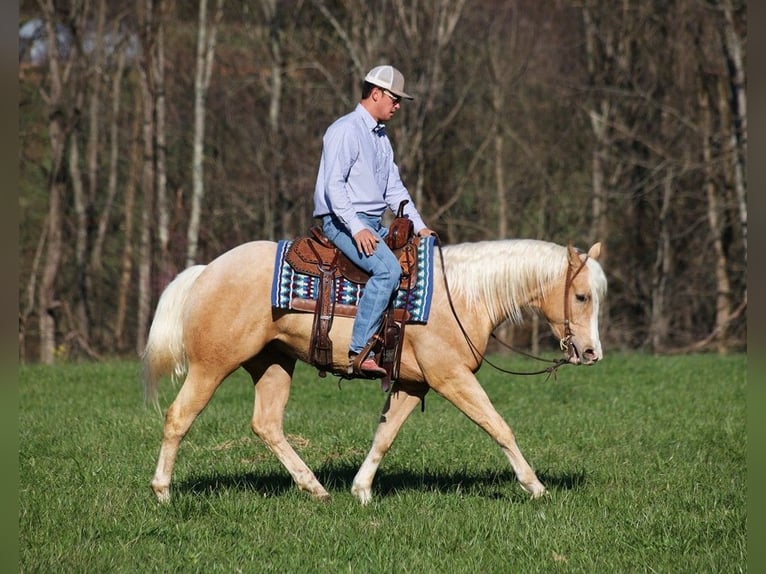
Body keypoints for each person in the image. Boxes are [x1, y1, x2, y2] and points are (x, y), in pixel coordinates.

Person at [313, 64, 435, 377]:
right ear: (376, 93)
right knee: (388, 269)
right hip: (340, 220)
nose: (397, 105)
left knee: (415, 264)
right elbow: (333, 186)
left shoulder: (381, 139)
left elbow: (394, 189)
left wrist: (419, 226)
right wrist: (357, 229)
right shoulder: (345, 130)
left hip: (371, 220)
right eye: (394, 99)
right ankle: (360, 349)